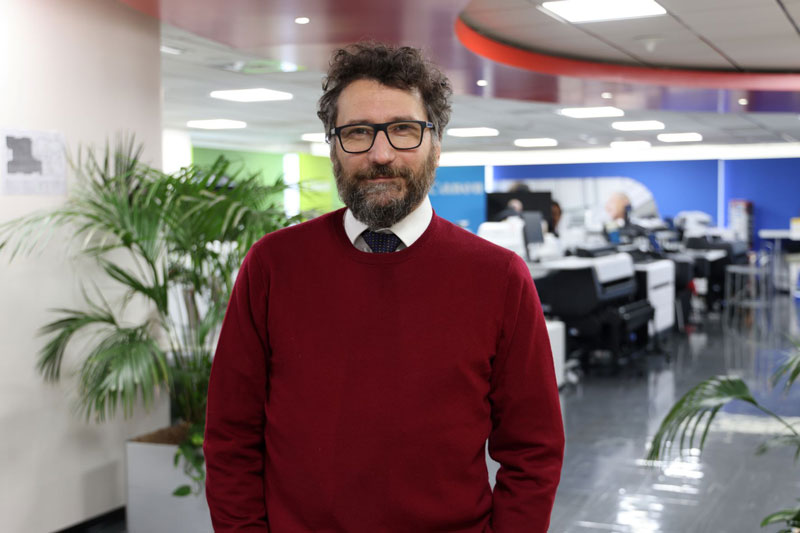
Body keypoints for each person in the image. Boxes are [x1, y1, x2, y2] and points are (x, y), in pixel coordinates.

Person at [203, 41, 564, 533]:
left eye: (403, 129)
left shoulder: (499, 277)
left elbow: (533, 450)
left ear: (436, 143)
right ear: (332, 145)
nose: (380, 153)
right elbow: (231, 436)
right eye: (357, 132)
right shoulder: (273, 266)